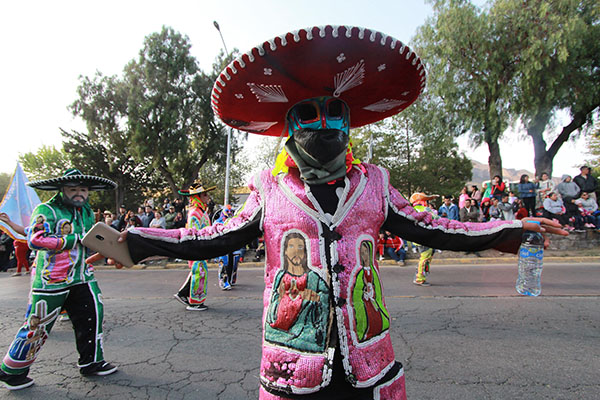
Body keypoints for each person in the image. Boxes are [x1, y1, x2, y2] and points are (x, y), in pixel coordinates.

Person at [88, 26, 566, 400]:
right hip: (293, 362)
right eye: (309, 115)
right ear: (289, 128)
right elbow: (215, 237)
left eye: (335, 111)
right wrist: (133, 243)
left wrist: (510, 229)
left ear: (350, 121)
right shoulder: (270, 190)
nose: (324, 123)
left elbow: (435, 227)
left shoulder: (374, 185)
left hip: (369, 360)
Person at [0, 168, 118, 391]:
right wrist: (74, 239)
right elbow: (35, 240)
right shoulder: (46, 210)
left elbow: (92, 238)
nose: (79, 193)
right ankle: (11, 372)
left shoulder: (86, 212)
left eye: (83, 189)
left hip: (82, 275)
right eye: (73, 189)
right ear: (62, 189)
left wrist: (109, 247)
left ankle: (91, 362)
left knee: (92, 316)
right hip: (51, 280)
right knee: (37, 325)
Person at [172, 182, 215, 311]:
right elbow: (194, 232)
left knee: (198, 272)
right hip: (197, 247)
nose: (207, 197)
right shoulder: (194, 213)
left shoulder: (201, 211)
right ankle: (194, 302)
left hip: (202, 246)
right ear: (198, 197)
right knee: (198, 272)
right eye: (204, 195)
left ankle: (183, 294)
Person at [409, 193, 441, 287]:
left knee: (424, 257)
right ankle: (419, 278)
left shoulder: (412, 210)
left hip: (417, 238)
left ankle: (419, 274)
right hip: (426, 237)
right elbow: (436, 218)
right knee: (425, 257)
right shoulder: (425, 209)